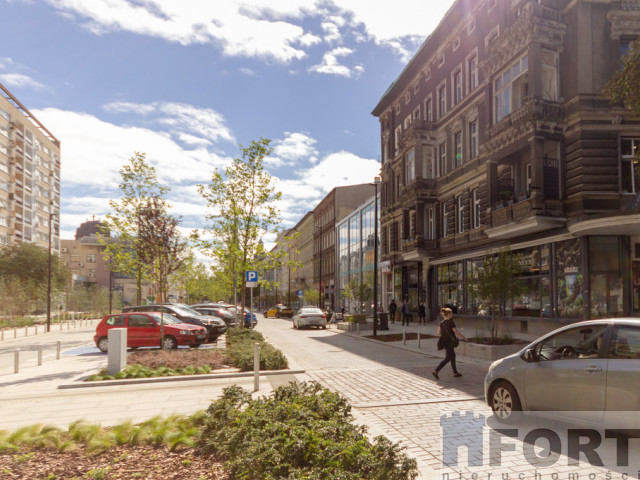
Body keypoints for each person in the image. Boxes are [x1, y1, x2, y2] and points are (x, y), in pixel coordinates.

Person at [432, 307, 468, 379]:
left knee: (453, 356)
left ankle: (455, 372)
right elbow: (456, 332)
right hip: (450, 343)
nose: (452, 314)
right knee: (448, 358)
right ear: (448, 314)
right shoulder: (451, 322)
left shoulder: (441, 323)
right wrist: (464, 337)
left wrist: (444, 334)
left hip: (444, 342)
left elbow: (438, 333)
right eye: (451, 313)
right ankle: (436, 370)